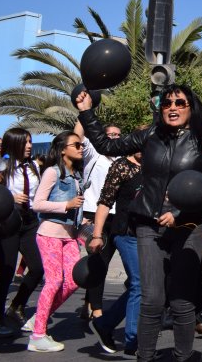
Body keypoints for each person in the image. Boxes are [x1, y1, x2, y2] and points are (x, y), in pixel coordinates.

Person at [76, 84, 202, 362]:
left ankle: (183, 357)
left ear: (191, 107)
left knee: (180, 300)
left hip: (189, 226)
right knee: (151, 299)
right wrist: (86, 113)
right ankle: (146, 357)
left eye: (180, 102)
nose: (173, 108)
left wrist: (179, 210)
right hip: (148, 224)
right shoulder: (150, 134)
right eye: (166, 103)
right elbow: (107, 145)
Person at [27, 130, 86, 352]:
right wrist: (65, 206)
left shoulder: (78, 175)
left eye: (81, 145)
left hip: (70, 235)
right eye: (76, 145)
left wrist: (81, 215)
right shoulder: (52, 172)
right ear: (63, 149)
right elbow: (37, 204)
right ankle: (37, 336)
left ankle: (40, 317)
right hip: (50, 233)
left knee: (73, 280)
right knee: (53, 282)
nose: (80, 148)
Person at [87, 149, 144, 356]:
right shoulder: (121, 166)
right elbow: (105, 201)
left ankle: (105, 323)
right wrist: (97, 234)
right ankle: (133, 342)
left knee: (143, 284)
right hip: (124, 232)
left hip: (148, 234)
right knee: (139, 282)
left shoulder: (156, 165)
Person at [0, 127, 44, 336]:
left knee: (38, 267)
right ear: (14, 143)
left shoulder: (34, 166)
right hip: (7, 221)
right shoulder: (0, 164)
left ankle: (17, 304)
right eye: (25, 142)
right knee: (6, 270)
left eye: (30, 141)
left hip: (29, 222)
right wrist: (9, 197)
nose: (29, 146)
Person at [79, 122, 119, 321]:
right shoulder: (93, 154)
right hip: (94, 214)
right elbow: (78, 136)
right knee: (99, 261)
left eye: (117, 135)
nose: (114, 137)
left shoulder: (121, 158)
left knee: (103, 261)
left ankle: (88, 302)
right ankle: (96, 308)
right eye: (110, 133)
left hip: (116, 216)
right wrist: (83, 109)